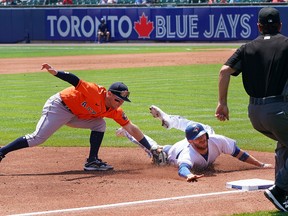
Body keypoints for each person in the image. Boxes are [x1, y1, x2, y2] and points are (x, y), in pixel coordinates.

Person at [0, 63, 157, 171]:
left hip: (75, 115)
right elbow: (75, 80)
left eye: (122, 101)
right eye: (117, 99)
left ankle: (92, 161)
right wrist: (56, 72)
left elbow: (130, 128)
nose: (119, 104)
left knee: (100, 124)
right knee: (37, 138)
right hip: (59, 106)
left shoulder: (114, 110)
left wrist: (151, 149)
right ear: (109, 94)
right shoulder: (94, 91)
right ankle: (2, 151)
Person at [215, 7, 288, 212]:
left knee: (284, 143)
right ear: (280, 25)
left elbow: (224, 71)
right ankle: (280, 190)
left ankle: (283, 194)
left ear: (258, 26)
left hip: (255, 113)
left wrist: (222, 103)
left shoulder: (247, 47)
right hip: (279, 110)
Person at [116, 105, 273, 182]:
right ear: (190, 141)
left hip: (185, 144)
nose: (203, 139)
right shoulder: (188, 155)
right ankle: (128, 132)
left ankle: (170, 120)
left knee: (209, 129)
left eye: (203, 137)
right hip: (171, 152)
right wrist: (189, 175)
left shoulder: (215, 139)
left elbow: (239, 153)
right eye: (198, 138)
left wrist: (260, 165)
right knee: (155, 151)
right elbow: (183, 168)